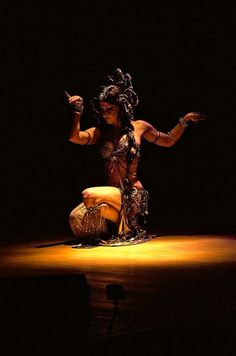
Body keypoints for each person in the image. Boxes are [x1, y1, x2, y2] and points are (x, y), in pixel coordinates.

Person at [66, 68, 205, 247]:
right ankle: (126, 228)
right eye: (102, 109)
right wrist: (77, 112)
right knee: (75, 217)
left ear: (121, 108)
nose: (105, 112)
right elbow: (74, 137)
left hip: (132, 195)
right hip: (112, 195)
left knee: (88, 194)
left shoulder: (139, 127)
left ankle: (129, 222)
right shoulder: (101, 132)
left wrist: (184, 121)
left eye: (110, 108)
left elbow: (168, 140)